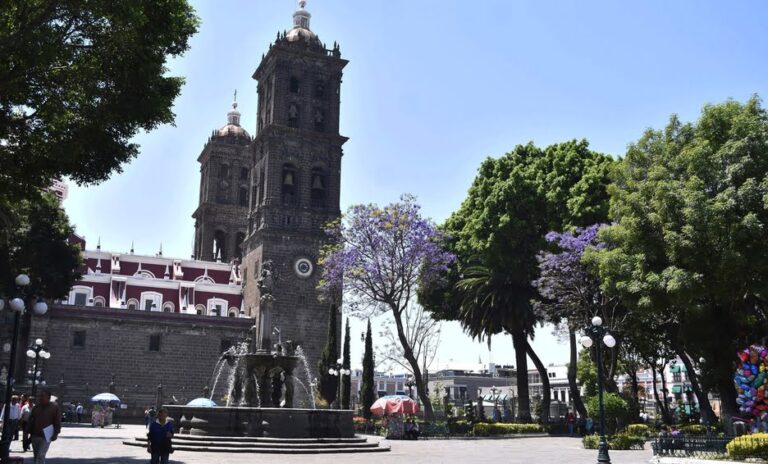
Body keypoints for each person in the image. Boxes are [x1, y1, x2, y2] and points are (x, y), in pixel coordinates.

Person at [28, 389, 61, 464]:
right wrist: (28, 431)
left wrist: (56, 433)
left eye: (43, 396)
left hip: (46, 435)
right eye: (40, 396)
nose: (41, 398)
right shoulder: (36, 407)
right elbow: (31, 419)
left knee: (41, 455)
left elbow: (57, 421)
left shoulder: (54, 407)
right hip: (35, 434)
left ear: (48, 398)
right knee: (36, 455)